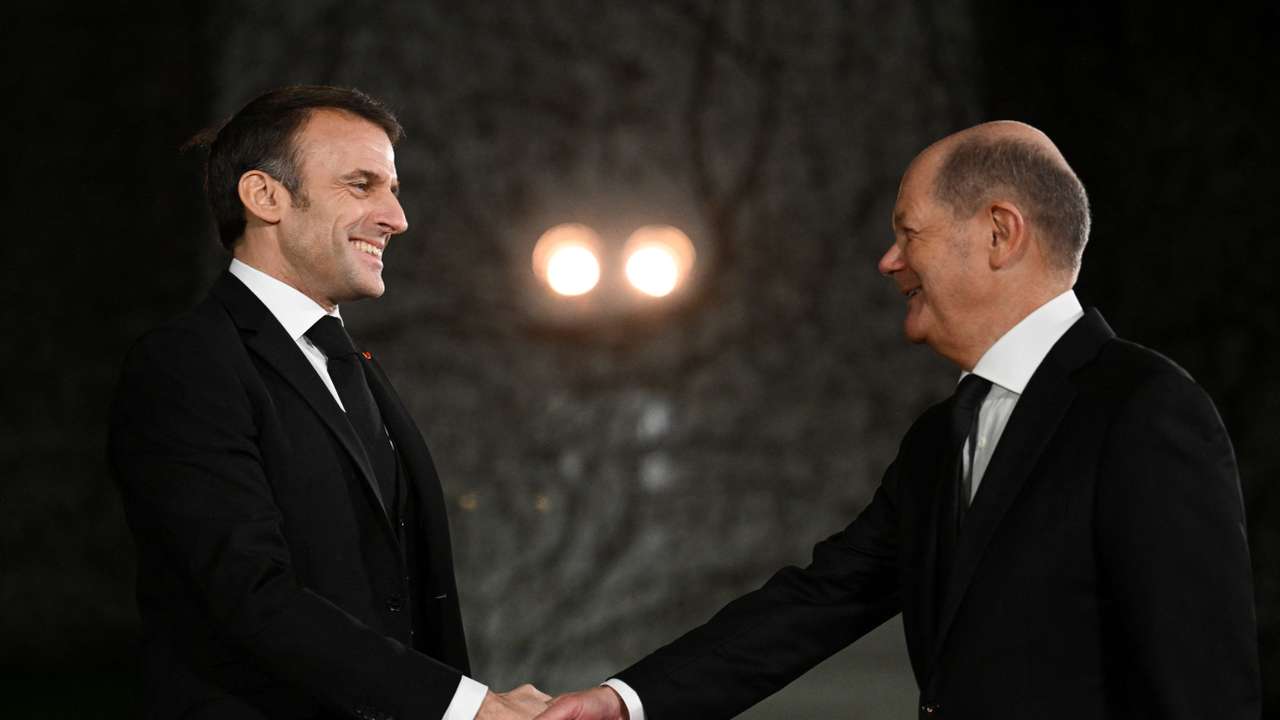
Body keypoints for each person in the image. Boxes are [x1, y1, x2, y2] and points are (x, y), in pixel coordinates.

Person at [535, 121, 1260, 719]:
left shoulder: (1144, 412)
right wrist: (623, 702)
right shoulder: (938, 441)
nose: (888, 262)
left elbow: (1202, 689)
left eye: (908, 232)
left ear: (1000, 234)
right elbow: (819, 600)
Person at [109, 85, 549, 720]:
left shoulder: (350, 365)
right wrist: (466, 706)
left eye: (393, 189)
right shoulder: (187, 363)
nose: (396, 218)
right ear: (265, 197)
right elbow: (248, 594)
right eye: (363, 184)